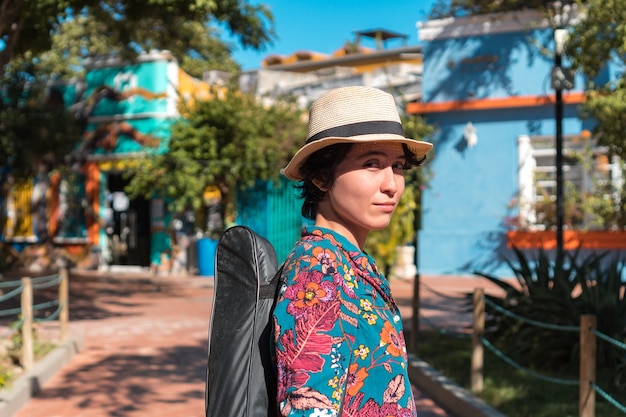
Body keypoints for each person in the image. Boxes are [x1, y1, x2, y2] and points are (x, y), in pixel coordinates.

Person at [272, 86, 433, 416]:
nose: (391, 184)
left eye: (398, 166)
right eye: (372, 164)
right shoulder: (318, 270)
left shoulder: (349, 262)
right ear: (320, 176)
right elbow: (308, 409)